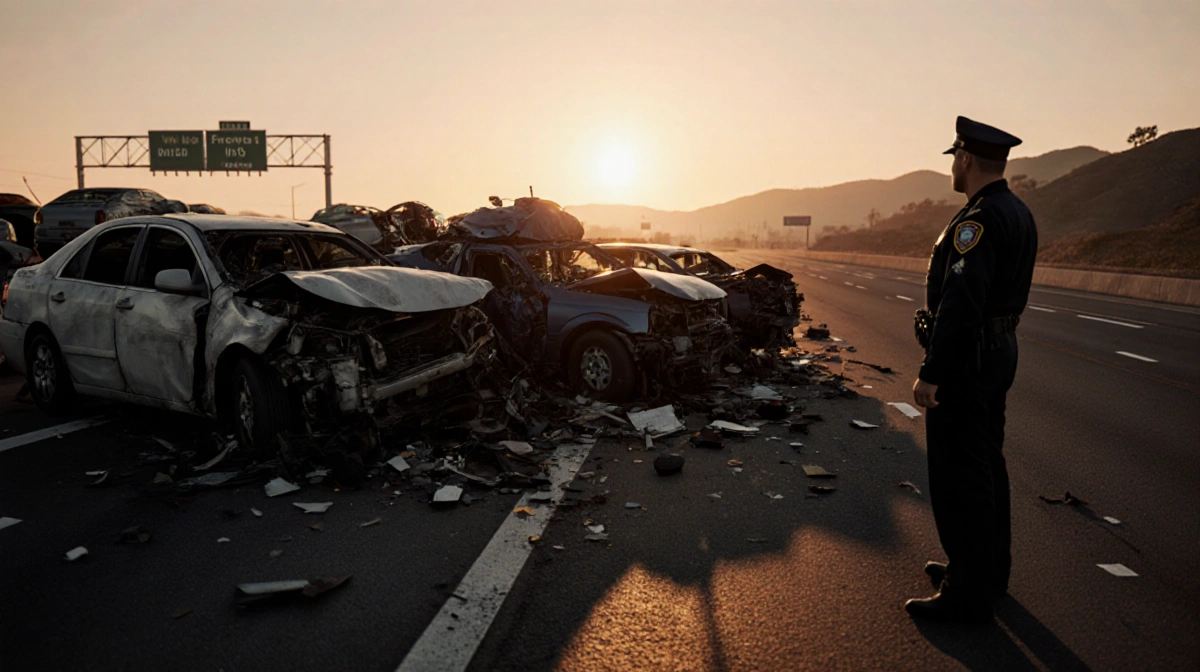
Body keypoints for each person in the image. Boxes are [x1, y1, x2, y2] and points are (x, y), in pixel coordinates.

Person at [906, 116, 1038, 623]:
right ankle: (987, 573)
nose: (953, 167)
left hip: (967, 359)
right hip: (999, 349)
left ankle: (965, 591)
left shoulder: (976, 221)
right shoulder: (1018, 210)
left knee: (959, 472)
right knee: (987, 465)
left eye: (954, 158)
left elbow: (962, 303)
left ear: (965, 158)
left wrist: (932, 371)